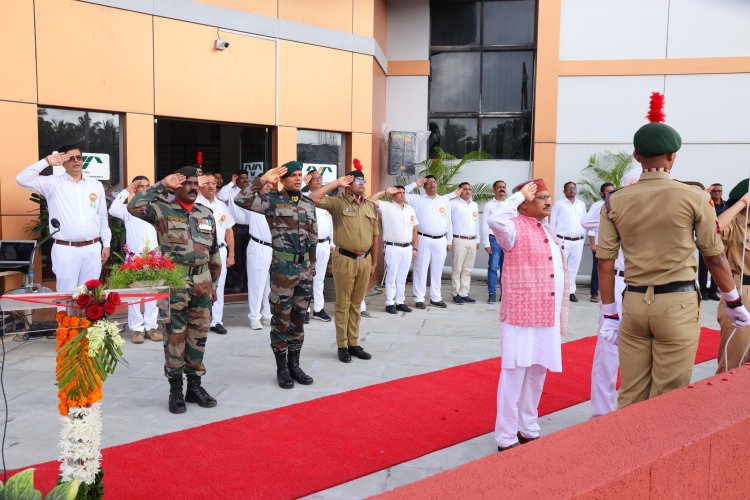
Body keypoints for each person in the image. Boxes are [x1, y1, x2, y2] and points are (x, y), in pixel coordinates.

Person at [596, 112, 750, 409]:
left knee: (631, 394)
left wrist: (610, 314)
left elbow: (605, 263)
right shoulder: (693, 196)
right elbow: (714, 256)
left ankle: (629, 453)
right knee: (668, 398)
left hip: (635, 303)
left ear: (636, 155)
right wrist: (733, 301)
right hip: (676, 304)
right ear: (672, 157)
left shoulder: (614, 201)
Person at [128, 166, 222, 414]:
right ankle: (175, 390)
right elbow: (134, 206)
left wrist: (213, 284)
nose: (192, 187)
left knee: (198, 335)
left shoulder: (206, 212)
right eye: (186, 183)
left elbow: (213, 251)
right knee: (174, 336)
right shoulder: (162, 209)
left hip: (202, 281)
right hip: (175, 281)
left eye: (195, 183)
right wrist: (161, 184)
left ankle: (194, 386)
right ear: (176, 186)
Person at [487, 179, 566, 452]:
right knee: (514, 374)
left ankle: (528, 427)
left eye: (548, 196)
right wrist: (517, 194)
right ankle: (506, 436)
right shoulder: (512, 229)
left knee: (537, 372)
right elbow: (495, 217)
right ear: (524, 204)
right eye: (541, 197)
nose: (548, 201)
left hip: (546, 314)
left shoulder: (547, 230)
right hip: (521, 315)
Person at [234, 161, 317, 389]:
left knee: (299, 320)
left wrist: (313, 268)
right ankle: (282, 369)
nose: (299, 179)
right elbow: (241, 199)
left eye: (300, 175)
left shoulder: (309, 204)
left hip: (304, 270)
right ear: (282, 180)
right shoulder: (272, 201)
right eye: (294, 176)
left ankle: (295, 366)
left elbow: (313, 238)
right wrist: (263, 179)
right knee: (282, 319)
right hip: (283, 269)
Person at [580, 171, 638, 418]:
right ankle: (602, 412)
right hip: (616, 281)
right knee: (608, 347)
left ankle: (634, 406)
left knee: (640, 348)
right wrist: (615, 197)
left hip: (646, 284)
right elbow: (587, 222)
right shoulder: (610, 207)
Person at [16, 145, 111, 294]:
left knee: (90, 296)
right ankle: (67, 319)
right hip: (65, 249)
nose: (76, 161)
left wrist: (106, 244)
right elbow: (21, 179)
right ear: (63, 162)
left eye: (79, 157)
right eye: (70, 158)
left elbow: (102, 217)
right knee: (66, 295)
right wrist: (47, 161)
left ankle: (87, 319)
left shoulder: (96, 185)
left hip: (93, 248)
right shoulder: (52, 183)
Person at [310, 164, 379, 363]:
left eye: (363, 181)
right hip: (345, 259)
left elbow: (374, 235)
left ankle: (353, 343)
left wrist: (373, 261)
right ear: (348, 184)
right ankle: (342, 345)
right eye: (358, 181)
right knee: (343, 304)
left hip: (364, 260)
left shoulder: (368, 205)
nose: (362, 184)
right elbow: (315, 198)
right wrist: (336, 183)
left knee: (357, 304)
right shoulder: (338, 203)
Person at [109, 176, 162, 344]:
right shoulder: (127, 209)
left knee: (153, 294)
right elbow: (112, 209)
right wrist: (127, 190)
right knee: (134, 296)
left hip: (154, 257)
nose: (144, 189)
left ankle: (151, 327)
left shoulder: (156, 208)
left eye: (147, 186)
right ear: (135, 189)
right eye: (140, 186)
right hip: (134, 257)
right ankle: (137, 329)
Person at [404, 176, 457, 309]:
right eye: (428, 183)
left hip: (441, 240)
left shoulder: (444, 200)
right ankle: (419, 298)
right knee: (420, 269)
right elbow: (400, 192)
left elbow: (449, 221)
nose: (432, 185)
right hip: (423, 238)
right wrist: (415, 184)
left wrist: (449, 240)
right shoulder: (417, 199)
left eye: (434, 182)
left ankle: (436, 297)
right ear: (424, 186)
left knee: (437, 270)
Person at [714, 180, 750, 372]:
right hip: (741, 292)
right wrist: (741, 204)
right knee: (733, 362)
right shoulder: (735, 225)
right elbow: (713, 230)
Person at [369, 185, 418, 314]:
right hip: (392, 246)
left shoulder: (410, 209)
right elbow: (370, 200)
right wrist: (385, 191)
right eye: (399, 192)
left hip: (407, 247)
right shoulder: (386, 206)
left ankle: (400, 302)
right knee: (392, 275)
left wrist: (415, 247)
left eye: (404, 192)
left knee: (402, 277)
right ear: (393, 195)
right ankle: (390, 302)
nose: (402, 194)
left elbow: (414, 229)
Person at [196, 175, 235, 335]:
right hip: (201, 252)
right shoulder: (195, 204)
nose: (211, 186)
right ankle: (199, 320)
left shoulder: (221, 206)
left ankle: (216, 321)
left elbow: (229, 230)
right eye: (207, 183)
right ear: (200, 186)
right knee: (200, 286)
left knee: (218, 287)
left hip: (220, 250)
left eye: (214, 183)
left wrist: (231, 254)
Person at [242, 180, 274, 331]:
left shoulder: (274, 200)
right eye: (265, 183)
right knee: (257, 284)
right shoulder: (252, 201)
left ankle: (267, 314)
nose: (269, 186)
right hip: (258, 245)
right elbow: (242, 196)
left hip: (274, 247)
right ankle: (254, 316)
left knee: (270, 284)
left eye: (271, 184)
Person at [304, 169, 334, 322]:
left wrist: (332, 242)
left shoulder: (327, 199)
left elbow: (331, 222)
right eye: (314, 178)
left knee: (320, 278)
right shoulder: (303, 197)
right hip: (309, 244)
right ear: (308, 181)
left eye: (320, 178)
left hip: (324, 244)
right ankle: (304, 309)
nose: (318, 180)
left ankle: (319, 309)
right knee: (306, 278)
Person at [550, 181, 586, 302]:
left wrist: (583, 238)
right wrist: (554, 241)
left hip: (578, 241)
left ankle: (571, 292)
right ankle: (559, 291)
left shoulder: (581, 204)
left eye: (574, 188)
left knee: (573, 268)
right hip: (562, 241)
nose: (572, 190)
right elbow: (553, 222)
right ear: (564, 191)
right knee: (560, 267)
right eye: (569, 188)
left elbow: (584, 222)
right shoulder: (559, 204)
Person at [217, 170, 250, 292]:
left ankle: (247, 284)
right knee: (236, 256)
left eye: (247, 178)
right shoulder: (230, 191)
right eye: (242, 178)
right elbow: (220, 196)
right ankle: (236, 283)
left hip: (251, 229)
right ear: (237, 179)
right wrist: (232, 183)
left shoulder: (251, 191)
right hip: (236, 228)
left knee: (248, 257)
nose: (246, 181)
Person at [582, 183, 615, 304]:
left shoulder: (617, 204)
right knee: (598, 269)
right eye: (608, 191)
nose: (610, 193)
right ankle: (594, 293)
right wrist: (592, 244)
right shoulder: (597, 205)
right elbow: (589, 224)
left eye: (612, 191)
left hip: (613, 244)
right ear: (602, 193)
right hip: (599, 243)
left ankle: (611, 294)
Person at [450, 182, 480, 304]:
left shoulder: (474, 205)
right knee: (457, 268)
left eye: (469, 189)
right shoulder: (453, 203)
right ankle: (455, 293)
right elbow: (448, 222)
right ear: (459, 191)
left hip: (472, 240)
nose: (468, 191)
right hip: (459, 239)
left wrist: (477, 239)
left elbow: (476, 222)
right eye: (465, 189)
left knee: (468, 269)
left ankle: (464, 293)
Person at [698, 183, 727, 301]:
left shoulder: (726, 205)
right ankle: (703, 291)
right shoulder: (706, 203)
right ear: (711, 192)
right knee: (704, 266)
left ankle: (713, 291)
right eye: (715, 191)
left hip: (721, 239)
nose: (717, 193)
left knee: (719, 265)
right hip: (706, 237)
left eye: (720, 191)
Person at [483, 180, 508, 303]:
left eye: (503, 187)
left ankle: (505, 293)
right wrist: (486, 243)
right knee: (493, 267)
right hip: (494, 239)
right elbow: (485, 224)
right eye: (499, 187)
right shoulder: (489, 205)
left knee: (506, 268)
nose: (502, 189)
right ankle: (492, 293)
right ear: (494, 189)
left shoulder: (510, 204)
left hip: (507, 240)